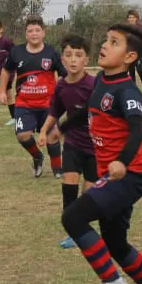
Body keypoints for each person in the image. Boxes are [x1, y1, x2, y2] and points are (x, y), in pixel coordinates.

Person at [58, 22, 142, 284]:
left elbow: (137, 131)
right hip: (117, 172)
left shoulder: (128, 92)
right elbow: (86, 113)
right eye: (106, 40)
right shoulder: (100, 82)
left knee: (73, 217)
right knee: (115, 241)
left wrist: (121, 160)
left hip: (130, 174)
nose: (105, 46)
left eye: (114, 42)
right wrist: (63, 127)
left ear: (130, 57)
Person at [40, 34, 98, 249]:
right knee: (69, 185)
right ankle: (73, 232)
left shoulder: (94, 85)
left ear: (86, 60)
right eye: (68, 55)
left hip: (95, 147)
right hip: (73, 144)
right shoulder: (61, 86)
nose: (73, 60)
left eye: (78, 55)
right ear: (62, 60)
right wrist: (45, 130)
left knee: (89, 194)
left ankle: (83, 229)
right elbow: (55, 111)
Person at [0, 16, 66, 178]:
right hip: (24, 104)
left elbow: (64, 74)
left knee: (53, 135)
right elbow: (6, 71)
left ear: (44, 32)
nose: (34, 33)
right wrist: (2, 91)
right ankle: (37, 157)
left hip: (48, 104)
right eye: (30, 31)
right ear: (26, 33)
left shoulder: (51, 52)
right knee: (23, 135)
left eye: (37, 30)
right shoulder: (17, 52)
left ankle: (57, 168)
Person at [125, 10, 142, 96]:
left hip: (139, 53)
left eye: (133, 17)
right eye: (130, 17)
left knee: (139, 70)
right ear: (127, 19)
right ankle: (134, 90)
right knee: (131, 72)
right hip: (129, 53)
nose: (131, 19)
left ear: (136, 19)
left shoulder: (140, 28)